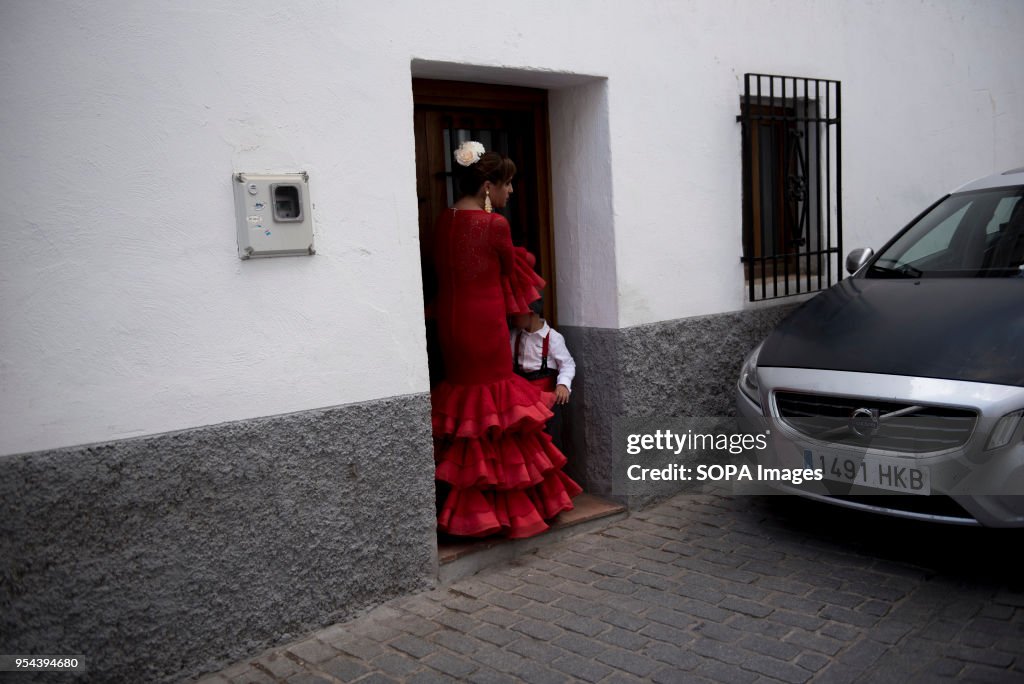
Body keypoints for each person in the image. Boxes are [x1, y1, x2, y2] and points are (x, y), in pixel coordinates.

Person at [430, 140, 582, 539]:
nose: (510, 192)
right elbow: (513, 271)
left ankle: (462, 503)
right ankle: (502, 506)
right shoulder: (494, 224)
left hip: (450, 324)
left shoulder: (442, 220)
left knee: (467, 401)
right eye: (507, 184)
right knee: (495, 410)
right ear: (487, 188)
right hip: (484, 324)